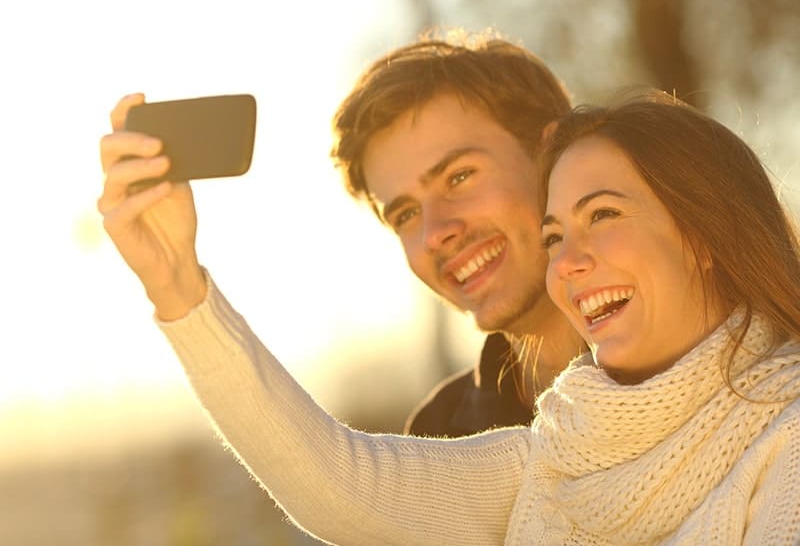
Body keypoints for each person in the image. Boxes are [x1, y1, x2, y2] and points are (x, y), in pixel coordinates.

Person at [99, 88, 800, 544]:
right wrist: (178, 283)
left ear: (705, 234)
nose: (570, 262)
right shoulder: (557, 451)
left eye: (604, 215)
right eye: (556, 236)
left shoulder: (783, 435)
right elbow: (343, 486)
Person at [330, 31, 585, 436]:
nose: (435, 233)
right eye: (407, 213)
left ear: (553, 156)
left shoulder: (709, 365)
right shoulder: (437, 439)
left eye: (459, 176)